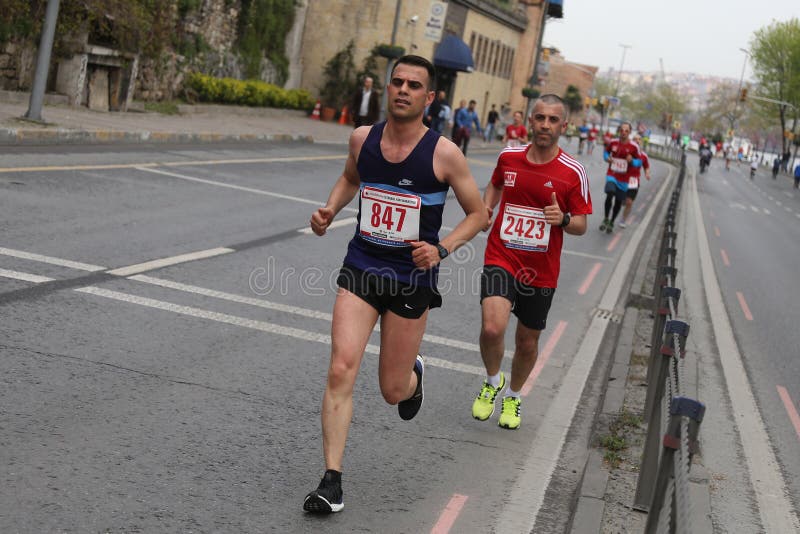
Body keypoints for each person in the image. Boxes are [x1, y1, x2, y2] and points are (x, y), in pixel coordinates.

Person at [304, 55, 487, 514]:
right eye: (397, 82)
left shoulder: (444, 154)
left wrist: (442, 249)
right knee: (341, 368)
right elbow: (351, 178)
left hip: (412, 278)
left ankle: (414, 378)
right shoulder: (362, 139)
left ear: (429, 97)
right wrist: (330, 209)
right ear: (388, 88)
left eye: (414, 85)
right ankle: (332, 481)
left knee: (391, 390)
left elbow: (479, 214)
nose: (403, 90)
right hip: (363, 265)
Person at [472, 94, 591, 430]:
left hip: (541, 271)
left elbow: (581, 224)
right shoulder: (509, 156)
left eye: (553, 120)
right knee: (492, 326)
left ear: (563, 127)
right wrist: (487, 208)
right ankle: (492, 381)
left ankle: (513, 395)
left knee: (527, 341)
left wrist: (563, 219)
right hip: (502, 255)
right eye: (540, 118)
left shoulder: (572, 172)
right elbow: (494, 185)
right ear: (531, 121)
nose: (545, 125)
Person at [599, 122, 641, 234]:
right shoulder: (613, 143)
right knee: (610, 192)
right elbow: (606, 153)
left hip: (624, 179)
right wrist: (607, 158)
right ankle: (606, 218)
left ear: (630, 132)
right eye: (622, 130)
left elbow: (639, 162)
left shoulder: (634, 147)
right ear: (619, 131)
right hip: (612, 174)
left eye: (626, 131)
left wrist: (632, 161)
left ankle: (612, 221)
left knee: (618, 201)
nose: (623, 133)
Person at [620, 135, 650, 228]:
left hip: (634, 181)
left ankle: (623, 220)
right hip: (622, 179)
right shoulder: (627, 152)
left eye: (639, 140)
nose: (637, 141)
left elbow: (646, 166)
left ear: (641, 142)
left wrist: (647, 174)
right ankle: (621, 200)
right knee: (621, 200)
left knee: (629, 202)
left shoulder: (643, 156)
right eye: (635, 139)